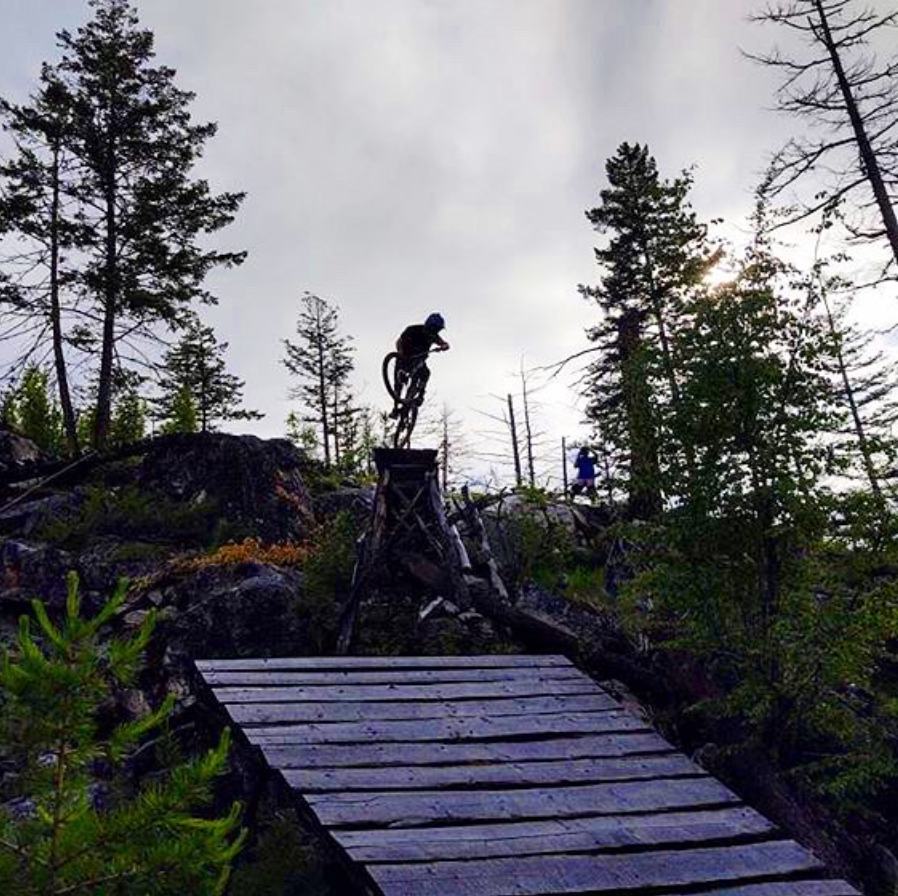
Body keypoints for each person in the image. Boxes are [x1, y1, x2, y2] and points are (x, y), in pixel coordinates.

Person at [391, 312, 450, 413]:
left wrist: (444, 346)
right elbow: (400, 341)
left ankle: (419, 395)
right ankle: (395, 408)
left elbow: (444, 343)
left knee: (425, 373)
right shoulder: (414, 329)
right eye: (435, 328)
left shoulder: (434, 336)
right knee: (398, 383)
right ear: (429, 325)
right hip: (405, 355)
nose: (435, 331)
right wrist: (400, 353)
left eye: (437, 330)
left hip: (418, 359)